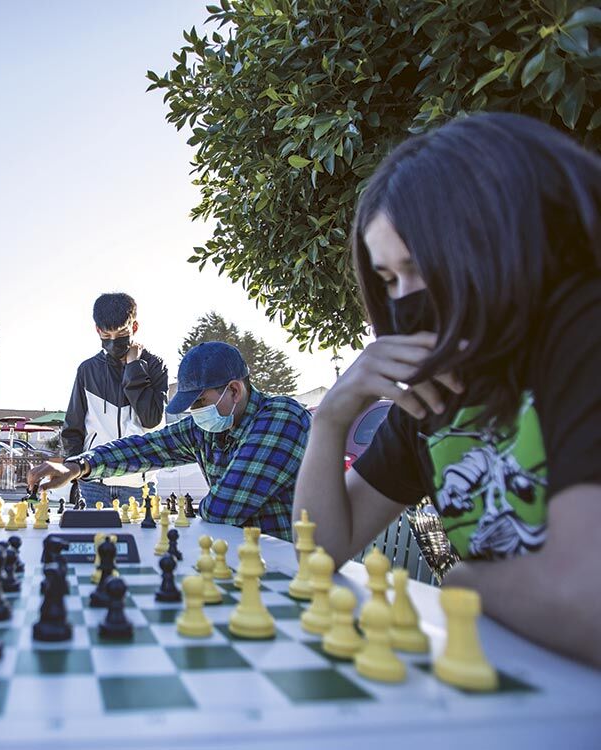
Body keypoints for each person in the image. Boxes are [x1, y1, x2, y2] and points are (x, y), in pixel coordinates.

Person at [293, 112, 601, 668]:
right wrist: (331, 418)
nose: (404, 301)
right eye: (388, 280)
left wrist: (467, 580)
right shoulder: (435, 395)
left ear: (496, 239)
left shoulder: (582, 330)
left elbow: (585, 603)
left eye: (420, 267)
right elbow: (321, 553)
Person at [31, 342, 310, 538]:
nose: (197, 412)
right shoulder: (206, 428)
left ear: (234, 390)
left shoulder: (281, 418)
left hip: (295, 567)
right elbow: (142, 449)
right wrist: (77, 466)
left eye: (201, 400)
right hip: (241, 560)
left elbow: (225, 507)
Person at [61, 292, 168, 506]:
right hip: (94, 482)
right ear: (97, 330)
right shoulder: (87, 370)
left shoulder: (155, 365)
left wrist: (134, 368)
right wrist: (75, 469)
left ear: (134, 327)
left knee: (141, 540)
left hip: (140, 483)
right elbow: (73, 427)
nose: (113, 342)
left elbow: (151, 419)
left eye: (120, 333)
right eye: (106, 335)